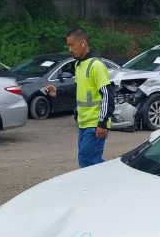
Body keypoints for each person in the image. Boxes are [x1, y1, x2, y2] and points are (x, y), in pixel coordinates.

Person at [46, 27, 114, 168]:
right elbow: (78, 90)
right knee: (90, 162)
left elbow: (108, 95)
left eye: (72, 45)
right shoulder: (78, 65)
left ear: (83, 43)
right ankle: (112, 177)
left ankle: (110, 181)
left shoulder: (96, 66)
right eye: (68, 46)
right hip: (84, 124)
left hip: (95, 124)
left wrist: (102, 123)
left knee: (88, 161)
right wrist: (58, 91)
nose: (70, 50)